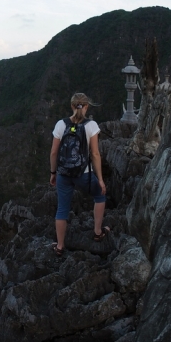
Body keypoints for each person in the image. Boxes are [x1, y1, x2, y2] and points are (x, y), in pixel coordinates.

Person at [49, 92, 109, 256]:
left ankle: (60, 246)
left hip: (64, 174)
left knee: (62, 209)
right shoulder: (91, 126)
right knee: (99, 195)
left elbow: (54, 152)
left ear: (72, 106)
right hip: (84, 175)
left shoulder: (61, 124)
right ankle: (97, 232)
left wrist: (53, 173)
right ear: (87, 106)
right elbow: (95, 154)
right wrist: (101, 180)